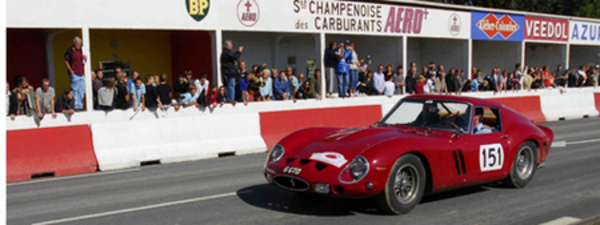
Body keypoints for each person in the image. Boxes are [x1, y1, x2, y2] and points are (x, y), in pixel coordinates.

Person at [63, 36, 87, 110]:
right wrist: (71, 71)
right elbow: (66, 61)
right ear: (74, 43)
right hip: (74, 73)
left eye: (80, 43)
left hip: (81, 73)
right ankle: (76, 105)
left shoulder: (81, 51)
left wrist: (85, 58)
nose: (78, 45)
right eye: (77, 43)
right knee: (75, 90)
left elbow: (83, 61)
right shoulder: (70, 51)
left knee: (82, 89)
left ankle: (80, 105)